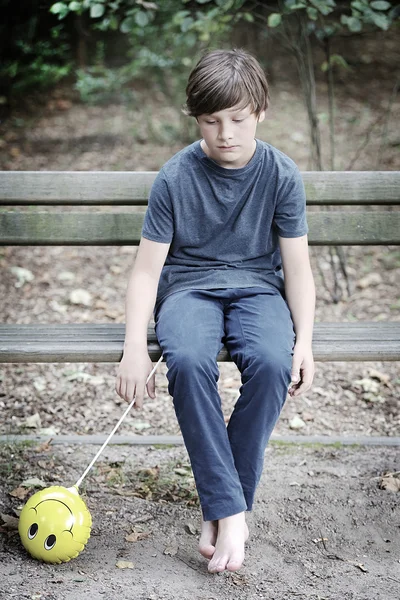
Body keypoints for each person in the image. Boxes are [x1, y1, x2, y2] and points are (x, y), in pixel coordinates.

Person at [115, 48, 315, 574]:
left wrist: (307, 342)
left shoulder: (280, 174)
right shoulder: (176, 177)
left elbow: (297, 269)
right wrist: (135, 346)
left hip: (257, 291)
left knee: (274, 361)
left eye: (238, 119)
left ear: (261, 112)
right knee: (186, 357)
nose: (224, 133)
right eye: (210, 121)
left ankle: (223, 508)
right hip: (189, 291)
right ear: (196, 119)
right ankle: (233, 511)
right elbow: (146, 273)